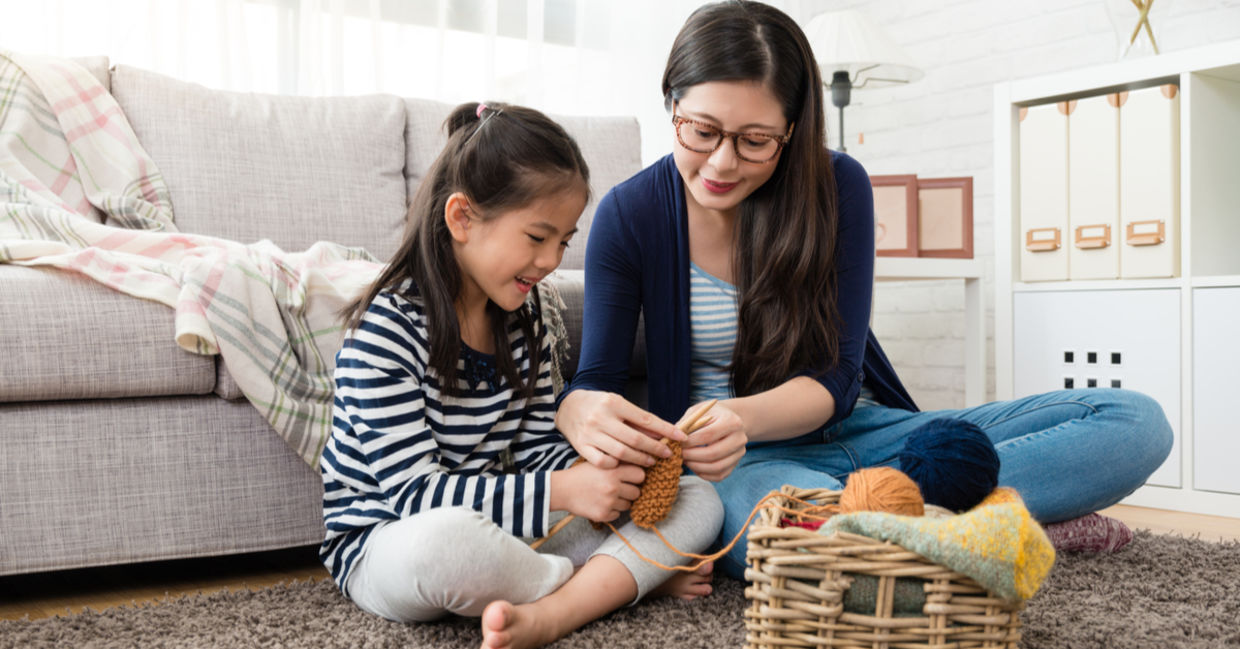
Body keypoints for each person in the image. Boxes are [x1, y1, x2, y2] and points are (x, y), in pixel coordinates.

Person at [554, 0, 1173, 580]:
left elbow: (839, 377)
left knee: (1135, 422)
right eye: (701, 131)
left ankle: (914, 522)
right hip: (742, 470)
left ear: (791, 130)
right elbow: (596, 381)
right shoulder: (629, 214)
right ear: (672, 106)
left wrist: (740, 415)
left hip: (870, 434)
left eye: (755, 141)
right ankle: (985, 520)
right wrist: (578, 408)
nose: (721, 163)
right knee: (751, 522)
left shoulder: (837, 186)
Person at [319, 101, 724, 649]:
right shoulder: (385, 329)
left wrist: (608, 471)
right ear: (462, 218)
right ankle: (606, 584)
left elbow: (537, 453)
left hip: (512, 531)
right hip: (389, 542)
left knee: (698, 499)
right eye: (537, 238)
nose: (552, 260)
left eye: (563, 241)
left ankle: (572, 590)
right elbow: (415, 497)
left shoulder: (529, 317)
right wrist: (566, 489)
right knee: (448, 545)